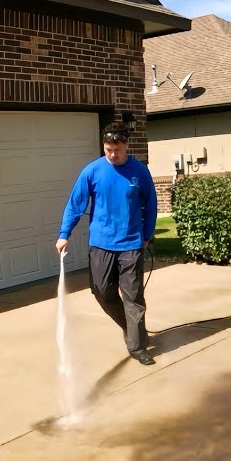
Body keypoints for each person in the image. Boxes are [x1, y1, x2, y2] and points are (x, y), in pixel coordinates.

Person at [56, 121, 158, 365]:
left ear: (126, 146)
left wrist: (146, 235)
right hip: (101, 243)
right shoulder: (93, 171)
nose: (113, 154)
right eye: (108, 149)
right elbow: (75, 203)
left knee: (133, 295)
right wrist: (64, 233)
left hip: (131, 243)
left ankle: (137, 346)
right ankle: (132, 327)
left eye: (118, 150)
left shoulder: (139, 171)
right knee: (101, 291)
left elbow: (151, 203)